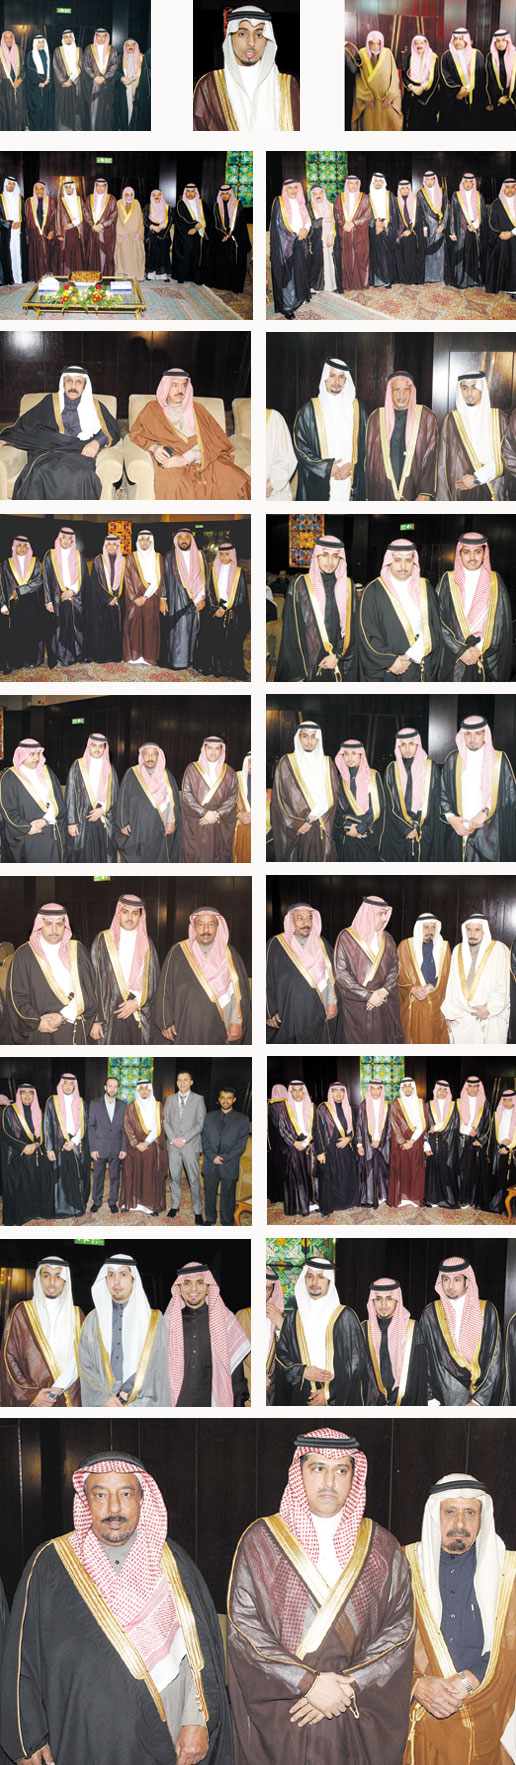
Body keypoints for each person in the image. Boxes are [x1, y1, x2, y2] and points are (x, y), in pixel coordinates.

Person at [0, 1448, 232, 1763]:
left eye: (125, 1494)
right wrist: (28, 1737)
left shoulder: (173, 1563)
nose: (114, 1508)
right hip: (82, 1738)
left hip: (167, 1736)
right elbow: (21, 1660)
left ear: (142, 1499)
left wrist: (196, 1720)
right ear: (85, 1501)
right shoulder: (50, 1565)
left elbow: (199, 1654)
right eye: (100, 1495)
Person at [228, 1426, 415, 1765]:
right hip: (287, 1714)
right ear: (298, 1472)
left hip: (353, 1713)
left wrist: (347, 1687)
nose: (329, 1481)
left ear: (353, 1476)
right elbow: (245, 1629)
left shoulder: (383, 1547)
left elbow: (399, 1632)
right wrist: (308, 1684)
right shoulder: (261, 1542)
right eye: (318, 1468)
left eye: (341, 1470)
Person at [407, 1472, 516, 1765]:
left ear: (482, 1517)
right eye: (450, 1512)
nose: (460, 1524)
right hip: (422, 1721)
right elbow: (381, 1645)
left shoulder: (510, 1572)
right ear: (435, 1515)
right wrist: (415, 1685)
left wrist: (474, 1676)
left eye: (470, 1513)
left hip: (491, 1719)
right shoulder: (403, 1566)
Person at [129, 368, 251, 501]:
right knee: (175, 484)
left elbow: (215, 439)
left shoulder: (198, 409)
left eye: (183, 385)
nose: (180, 390)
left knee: (236, 478)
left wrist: (187, 458)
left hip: (203, 456)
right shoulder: (152, 409)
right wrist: (155, 448)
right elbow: (137, 434)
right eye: (175, 385)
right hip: (172, 459)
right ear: (166, 386)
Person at [2, 368, 120, 502]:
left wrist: (96, 442)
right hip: (49, 451)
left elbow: (112, 429)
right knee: (40, 472)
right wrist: (4, 439)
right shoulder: (50, 402)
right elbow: (26, 424)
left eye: (78, 382)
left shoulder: (95, 406)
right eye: (69, 381)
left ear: (84, 386)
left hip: (79, 452)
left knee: (83, 475)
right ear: (63, 383)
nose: (73, 386)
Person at [78, 1255, 170, 1405]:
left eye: (123, 1274)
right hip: (104, 1404)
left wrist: (127, 1391)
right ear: (105, 1280)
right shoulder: (93, 1321)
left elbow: (157, 1365)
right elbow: (85, 1364)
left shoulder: (153, 1320)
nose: (116, 1281)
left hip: (142, 1403)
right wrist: (105, 1398)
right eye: (111, 1275)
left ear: (133, 1279)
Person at [193, 3, 300, 131]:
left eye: (259, 35)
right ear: (231, 37)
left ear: (267, 40)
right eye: (242, 34)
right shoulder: (209, 85)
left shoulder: (287, 85)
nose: (251, 43)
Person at [7, 900, 100, 1046]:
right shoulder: (23, 955)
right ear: (40, 925)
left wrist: (63, 1016)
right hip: (42, 1031)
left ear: (65, 926)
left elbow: (89, 990)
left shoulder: (77, 950)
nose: (54, 930)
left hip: (74, 1027)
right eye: (48, 924)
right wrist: (37, 1022)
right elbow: (17, 997)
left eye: (59, 924)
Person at [155, 907, 251, 1046]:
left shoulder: (230, 954)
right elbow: (164, 989)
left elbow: (238, 993)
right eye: (200, 924)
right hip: (186, 1025)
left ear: (218, 926)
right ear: (194, 927)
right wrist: (165, 1022)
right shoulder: (178, 951)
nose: (206, 929)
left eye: (211, 924)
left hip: (222, 1025)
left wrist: (236, 1022)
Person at [277, 1258, 366, 1406]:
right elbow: (281, 1355)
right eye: (309, 1276)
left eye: (321, 1277)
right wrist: (302, 1371)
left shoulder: (345, 1316)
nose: (314, 1281)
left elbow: (355, 1363)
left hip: (337, 1400)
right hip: (302, 1397)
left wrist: (329, 1392)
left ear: (329, 1281)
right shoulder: (293, 1319)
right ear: (304, 1280)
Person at [0, 1254, 83, 1407]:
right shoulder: (21, 1312)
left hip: (69, 1398)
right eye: (46, 1275)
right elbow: (9, 1359)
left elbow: (83, 1359)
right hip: (34, 1402)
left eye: (58, 1276)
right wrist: (31, 1395)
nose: (52, 1282)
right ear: (39, 1278)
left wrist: (57, 1389)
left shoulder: (77, 1315)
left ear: (65, 1281)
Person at [420, 1255, 504, 1405]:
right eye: (446, 1279)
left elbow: (495, 1359)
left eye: (457, 1280)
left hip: (480, 1398)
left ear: (467, 1281)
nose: (450, 1285)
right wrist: (429, 1397)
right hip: (442, 1398)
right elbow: (423, 1358)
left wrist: (479, 1401)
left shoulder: (486, 1310)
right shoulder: (431, 1313)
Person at [165, 1261, 248, 1406]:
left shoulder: (224, 1321)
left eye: (200, 1282)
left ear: (208, 1287)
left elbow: (236, 1372)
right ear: (179, 1288)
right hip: (177, 1403)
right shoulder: (168, 1323)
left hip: (214, 1403)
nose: (193, 1289)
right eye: (187, 1283)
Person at [358, 539, 442, 680]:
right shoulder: (373, 591)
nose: (403, 566)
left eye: (408, 560)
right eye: (397, 560)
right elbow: (367, 634)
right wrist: (390, 661)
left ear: (414, 562)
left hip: (420, 665)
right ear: (389, 561)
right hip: (389, 670)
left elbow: (434, 627)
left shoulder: (425, 587)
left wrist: (412, 655)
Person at [276, 535, 356, 681]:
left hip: (339, 659)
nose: (330, 562)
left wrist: (337, 655)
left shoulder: (348, 586)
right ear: (317, 555)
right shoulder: (300, 584)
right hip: (308, 660)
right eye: (325, 555)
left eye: (335, 556)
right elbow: (291, 632)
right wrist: (298, 672)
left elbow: (352, 626)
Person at [437, 530, 513, 681]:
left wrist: (480, 648)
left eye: (477, 552)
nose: (472, 557)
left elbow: (502, 624)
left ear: (484, 554)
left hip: (485, 654)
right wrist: (460, 650)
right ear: (460, 554)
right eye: (467, 552)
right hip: (455, 656)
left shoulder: (495, 581)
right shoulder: (448, 580)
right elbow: (437, 620)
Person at [441, 713, 516, 861]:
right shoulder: (453, 760)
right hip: (458, 830)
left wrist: (486, 812)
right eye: (468, 734)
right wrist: (451, 818)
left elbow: (510, 796)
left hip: (489, 834)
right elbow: (442, 793)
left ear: (485, 734)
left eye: (477, 733)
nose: (472, 739)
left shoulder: (499, 760)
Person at [293, 357, 367, 502]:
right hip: (319, 481)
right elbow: (300, 447)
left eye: (341, 377)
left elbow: (367, 446)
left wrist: (353, 465)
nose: (337, 381)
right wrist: (326, 467)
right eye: (332, 376)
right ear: (325, 378)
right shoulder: (309, 409)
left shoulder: (357, 409)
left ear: (346, 380)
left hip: (349, 479)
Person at [91, 893, 160, 1046]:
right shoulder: (103, 940)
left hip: (138, 1010)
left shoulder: (147, 943)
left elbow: (154, 980)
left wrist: (137, 1002)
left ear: (140, 916)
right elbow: (94, 981)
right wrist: (95, 1020)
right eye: (125, 912)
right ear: (118, 913)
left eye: (135, 913)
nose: (130, 917)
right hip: (109, 1013)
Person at [334, 894, 404, 1044]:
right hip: (359, 1005)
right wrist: (368, 995)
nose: (385, 918)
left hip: (383, 1002)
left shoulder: (388, 938)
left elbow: (394, 969)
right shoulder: (346, 938)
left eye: (385, 914)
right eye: (380, 914)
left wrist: (384, 991)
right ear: (369, 914)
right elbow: (341, 973)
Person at [266, 904, 337, 1044]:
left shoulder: (322, 943)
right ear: (290, 921)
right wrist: (269, 1011)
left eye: (309, 918)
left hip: (320, 1011)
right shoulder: (275, 944)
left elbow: (332, 977)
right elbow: (265, 979)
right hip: (288, 1013)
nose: (306, 923)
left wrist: (332, 1003)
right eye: (300, 918)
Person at [271, 721, 338, 861]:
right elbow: (279, 800)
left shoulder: (327, 763)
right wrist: (296, 823)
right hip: (296, 829)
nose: (309, 741)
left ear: (318, 739)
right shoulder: (286, 762)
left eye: (313, 736)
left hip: (319, 824)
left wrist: (312, 816)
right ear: (298, 737)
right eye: (305, 736)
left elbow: (331, 795)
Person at [365, 374, 439, 502]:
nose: (401, 395)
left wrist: (425, 493)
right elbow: (369, 460)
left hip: (414, 490)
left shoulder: (426, 417)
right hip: (382, 490)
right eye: (397, 390)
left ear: (412, 392)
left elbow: (431, 457)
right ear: (390, 392)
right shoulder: (376, 418)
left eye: (406, 390)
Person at [438, 371, 508, 501]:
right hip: (460, 489)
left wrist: (477, 479)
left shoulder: (498, 418)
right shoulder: (452, 419)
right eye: (465, 388)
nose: (469, 393)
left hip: (492, 486)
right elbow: (443, 463)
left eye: (474, 387)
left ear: (482, 389)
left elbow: (507, 458)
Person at [443, 914, 510, 1044]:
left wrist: (489, 1009)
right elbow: (452, 985)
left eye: (477, 930)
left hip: (490, 1019)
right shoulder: (458, 950)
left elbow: (505, 985)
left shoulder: (499, 950)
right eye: (469, 929)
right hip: (463, 1017)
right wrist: (449, 1014)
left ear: (484, 930)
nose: (472, 933)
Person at [362, 1276, 427, 1406]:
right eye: (378, 1299)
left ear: (397, 1300)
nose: (383, 1304)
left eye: (389, 1298)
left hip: (405, 1403)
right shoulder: (364, 1330)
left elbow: (419, 1376)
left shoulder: (412, 1329)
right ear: (372, 1301)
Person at [0, 736, 66, 862]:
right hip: (28, 837)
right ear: (22, 755)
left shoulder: (47, 772)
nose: (36, 758)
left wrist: (46, 820)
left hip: (50, 832)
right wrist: (27, 827)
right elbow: (7, 811)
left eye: (38, 754)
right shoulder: (9, 777)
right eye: (31, 754)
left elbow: (58, 801)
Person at [115, 742, 181, 863]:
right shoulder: (131, 773)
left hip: (160, 829)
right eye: (146, 754)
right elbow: (123, 799)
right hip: (138, 829)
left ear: (158, 756)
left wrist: (171, 821)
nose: (150, 758)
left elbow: (172, 802)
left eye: (153, 754)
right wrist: (123, 823)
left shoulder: (166, 775)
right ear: (142, 756)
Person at [383, 727, 441, 862]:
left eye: (411, 744)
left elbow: (435, 803)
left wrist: (417, 826)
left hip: (425, 830)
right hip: (399, 831)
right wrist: (405, 829)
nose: (407, 749)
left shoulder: (430, 767)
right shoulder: (392, 769)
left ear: (418, 745)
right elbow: (388, 804)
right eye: (403, 745)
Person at [195, 539, 250, 679]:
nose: (224, 557)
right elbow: (209, 591)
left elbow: (241, 595)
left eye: (227, 554)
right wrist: (215, 609)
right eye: (221, 555)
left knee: (231, 643)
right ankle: (215, 668)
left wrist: (225, 607)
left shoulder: (239, 572)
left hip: (232, 611)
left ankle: (231, 669)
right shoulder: (213, 570)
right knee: (213, 640)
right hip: (215, 609)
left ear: (232, 555)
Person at [0, 1082, 54, 1224]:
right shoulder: (9, 1110)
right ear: (19, 1095)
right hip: (17, 1154)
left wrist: (35, 1145)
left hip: (35, 1152)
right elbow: (5, 1132)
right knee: (21, 1186)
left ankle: (35, 1212)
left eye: (30, 1093)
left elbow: (43, 1133)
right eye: (24, 1093)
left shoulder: (39, 1111)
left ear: (34, 1096)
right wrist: (23, 1147)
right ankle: (22, 1215)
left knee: (38, 1181)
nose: (27, 1096)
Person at [181, 737, 237, 863]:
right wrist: (204, 813)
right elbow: (187, 795)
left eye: (217, 748)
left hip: (219, 824)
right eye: (210, 748)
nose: (213, 751)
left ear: (221, 750)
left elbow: (232, 798)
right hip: (198, 823)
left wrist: (217, 814)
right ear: (204, 749)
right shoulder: (192, 769)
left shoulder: (230, 772)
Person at [397, 912, 451, 1043]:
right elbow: (398, 974)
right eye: (426, 927)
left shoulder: (443, 947)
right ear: (418, 927)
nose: (430, 931)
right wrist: (412, 988)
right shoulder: (405, 946)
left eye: (433, 928)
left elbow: (447, 974)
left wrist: (433, 985)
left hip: (436, 1003)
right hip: (413, 1004)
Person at [65, 732, 118, 862]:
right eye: (94, 745)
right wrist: (71, 822)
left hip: (102, 818)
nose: (97, 749)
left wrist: (103, 809)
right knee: (83, 855)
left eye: (101, 746)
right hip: (82, 818)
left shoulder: (110, 769)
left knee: (102, 854)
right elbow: (71, 794)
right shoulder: (78, 765)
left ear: (105, 748)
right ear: (89, 746)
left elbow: (115, 794)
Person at [1, 534, 50, 672]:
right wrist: (3, 604)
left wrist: (21, 590)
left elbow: (39, 580)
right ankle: (17, 661)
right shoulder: (7, 563)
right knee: (16, 634)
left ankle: (32, 660)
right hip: (14, 605)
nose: (22, 549)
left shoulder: (35, 561)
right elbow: (2, 584)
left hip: (32, 604)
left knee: (33, 633)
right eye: (19, 546)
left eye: (24, 546)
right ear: (14, 547)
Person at [44, 1072, 90, 1218]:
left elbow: (84, 1124)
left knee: (76, 1176)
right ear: (61, 1085)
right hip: (58, 1146)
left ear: (75, 1086)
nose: (68, 1087)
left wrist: (74, 1141)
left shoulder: (81, 1102)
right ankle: (60, 1208)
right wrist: (49, 1148)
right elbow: (47, 1125)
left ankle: (76, 1207)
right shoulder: (52, 1101)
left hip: (75, 1145)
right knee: (59, 1176)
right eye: (66, 1084)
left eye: (71, 1084)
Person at [201, 1087, 249, 1226]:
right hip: (210, 1162)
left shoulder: (242, 1119)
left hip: (229, 1163)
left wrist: (224, 1158)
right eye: (222, 1097)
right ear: (219, 1099)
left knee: (228, 1195)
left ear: (234, 1100)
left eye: (229, 1098)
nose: (225, 1100)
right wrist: (212, 1156)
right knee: (210, 1193)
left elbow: (241, 1145)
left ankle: (227, 1221)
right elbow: (205, 1140)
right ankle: (210, 1218)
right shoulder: (209, 1117)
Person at [163, 1071, 206, 1223]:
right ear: (176, 1082)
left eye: (185, 1080)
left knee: (194, 1180)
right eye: (179, 1080)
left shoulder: (198, 1099)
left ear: (191, 1082)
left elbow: (200, 1123)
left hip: (190, 1146)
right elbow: (165, 1121)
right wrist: (174, 1139)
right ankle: (175, 1206)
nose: (182, 1083)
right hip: (173, 1146)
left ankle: (197, 1210)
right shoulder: (170, 1099)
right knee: (174, 1178)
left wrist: (184, 1139)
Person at [120, 1082, 168, 1215]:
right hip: (133, 1147)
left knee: (149, 1176)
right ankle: (130, 1204)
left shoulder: (157, 1106)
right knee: (132, 1174)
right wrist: (136, 1143)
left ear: (151, 1090)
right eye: (141, 1089)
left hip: (150, 1146)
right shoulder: (132, 1106)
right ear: (138, 1091)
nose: (144, 1091)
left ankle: (150, 1206)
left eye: (147, 1089)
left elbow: (158, 1127)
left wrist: (146, 1143)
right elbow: (127, 1126)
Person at [334, 738, 385, 859]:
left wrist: (359, 829)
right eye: (346, 754)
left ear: (361, 755)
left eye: (354, 753)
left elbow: (377, 808)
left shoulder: (372, 776)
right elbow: (337, 810)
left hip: (367, 834)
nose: (350, 758)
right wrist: (347, 826)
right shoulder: (341, 779)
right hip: (347, 834)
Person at [162, 529, 206, 670]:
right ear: (176, 540)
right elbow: (163, 579)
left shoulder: (199, 555)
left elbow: (204, 578)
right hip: (176, 599)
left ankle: (190, 659)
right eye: (180, 537)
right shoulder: (170, 556)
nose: (183, 540)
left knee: (192, 630)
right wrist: (163, 598)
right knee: (177, 631)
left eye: (186, 537)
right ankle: (177, 662)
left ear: (191, 539)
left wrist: (202, 598)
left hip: (196, 600)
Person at [273, 1079, 318, 1216]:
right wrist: (294, 1142)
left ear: (304, 1092)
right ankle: (300, 1205)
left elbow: (316, 1127)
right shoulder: (284, 1107)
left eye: (300, 1090)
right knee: (297, 1177)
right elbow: (282, 1128)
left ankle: (313, 1202)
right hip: (294, 1147)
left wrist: (309, 1141)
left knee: (311, 1175)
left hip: (310, 1146)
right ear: (290, 1092)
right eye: (294, 1090)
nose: (297, 1093)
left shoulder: (312, 1106)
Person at [44, 526, 86, 669]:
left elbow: (83, 577)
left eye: (70, 539)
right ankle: (61, 656)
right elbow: (46, 578)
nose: (66, 541)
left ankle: (77, 655)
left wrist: (72, 591)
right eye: (64, 538)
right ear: (59, 538)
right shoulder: (50, 555)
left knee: (76, 628)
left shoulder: (78, 555)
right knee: (59, 629)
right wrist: (48, 600)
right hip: (57, 598)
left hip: (75, 597)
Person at [270, 179, 312, 317]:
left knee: (301, 271)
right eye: (290, 188)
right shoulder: (279, 202)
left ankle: (300, 297)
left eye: (295, 187)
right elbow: (279, 224)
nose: (293, 190)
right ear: (285, 190)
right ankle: (287, 306)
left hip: (301, 241)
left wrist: (305, 230)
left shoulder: (301, 203)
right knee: (288, 275)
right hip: (286, 244)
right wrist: (296, 233)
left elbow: (307, 220)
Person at [315, 1082, 358, 1211]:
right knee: (332, 1176)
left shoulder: (348, 1108)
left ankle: (347, 1202)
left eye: (341, 1090)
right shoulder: (323, 1108)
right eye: (335, 1090)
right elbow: (317, 1130)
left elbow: (354, 1129)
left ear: (344, 1093)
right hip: (330, 1150)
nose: (338, 1093)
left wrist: (348, 1139)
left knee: (345, 1175)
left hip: (346, 1148)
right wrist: (320, 1152)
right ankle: (334, 1204)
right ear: (330, 1092)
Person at [122, 530, 163, 665]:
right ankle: (135, 656)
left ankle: (148, 657)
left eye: (147, 540)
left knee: (149, 627)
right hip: (134, 599)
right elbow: (128, 579)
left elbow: (158, 579)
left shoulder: (158, 557)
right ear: (138, 541)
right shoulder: (131, 556)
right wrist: (134, 598)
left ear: (151, 542)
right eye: (142, 540)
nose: (145, 542)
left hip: (151, 597)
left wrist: (145, 596)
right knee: (134, 627)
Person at [88, 1073, 127, 1215]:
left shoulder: (123, 1105)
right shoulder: (95, 1103)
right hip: (99, 1147)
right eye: (110, 1086)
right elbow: (91, 1126)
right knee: (98, 1176)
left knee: (115, 1177)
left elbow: (125, 1129)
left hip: (116, 1148)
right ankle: (97, 1201)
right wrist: (93, 1148)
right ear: (105, 1087)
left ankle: (112, 1201)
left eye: (115, 1086)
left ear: (118, 1089)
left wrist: (123, 1148)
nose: (112, 1089)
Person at [350, 31, 404, 129]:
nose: (375, 47)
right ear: (368, 43)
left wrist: (390, 96)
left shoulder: (388, 53)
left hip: (385, 100)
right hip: (369, 101)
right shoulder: (361, 53)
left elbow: (394, 76)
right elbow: (359, 77)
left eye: (378, 43)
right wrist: (366, 97)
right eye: (372, 43)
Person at [388, 1078, 427, 1208]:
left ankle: (414, 1198)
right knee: (402, 1171)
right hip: (401, 1144)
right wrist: (403, 1142)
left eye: (410, 1086)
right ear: (401, 1088)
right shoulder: (395, 1103)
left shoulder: (420, 1102)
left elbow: (423, 1124)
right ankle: (402, 1197)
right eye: (404, 1086)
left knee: (415, 1170)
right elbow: (394, 1125)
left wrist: (412, 1140)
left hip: (416, 1141)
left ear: (413, 1087)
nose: (407, 1089)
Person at [86, 536, 124, 664]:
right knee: (102, 630)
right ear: (105, 546)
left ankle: (114, 656)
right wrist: (108, 598)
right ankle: (101, 656)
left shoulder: (123, 561)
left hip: (118, 600)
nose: (112, 547)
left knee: (115, 629)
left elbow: (125, 582)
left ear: (118, 546)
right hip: (100, 602)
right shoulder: (98, 560)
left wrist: (116, 597)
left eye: (114, 544)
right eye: (109, 544)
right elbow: (94, 583)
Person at [355, 1081, 392, 1207]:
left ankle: (383, 1195)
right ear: (369, 1090)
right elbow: (359, 1125)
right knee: (368, 1170)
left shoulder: (387, 1106)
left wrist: (379, 1141)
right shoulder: (363, 1106)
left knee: (383, 1170)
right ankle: (369, 1198)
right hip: (367, 1143)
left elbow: (389, 1128)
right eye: (373, 1089)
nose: (376, 1092)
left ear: (382, 1090)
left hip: (383, 1144)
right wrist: (359, 1144)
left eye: (378, 1089)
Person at [457, 1076, 492, 1210]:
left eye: (475, 1086)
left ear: (479, 1088)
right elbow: (454, 1123)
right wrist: (467, 1130)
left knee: (475, 1172)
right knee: (462, 1172)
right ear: (466, 1088)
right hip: (461, 1141)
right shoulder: (459, 1102)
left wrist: (481, 1139)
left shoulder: (485, 1104)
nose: (472, 1089)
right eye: (470, 1086)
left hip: (477, 1143)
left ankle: (473, 1200)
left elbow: (488, 1124)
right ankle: (463, 1199)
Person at [423, 1082, 459, 1208]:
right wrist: (426, 1144)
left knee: (446, 1171)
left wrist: (437, 1127)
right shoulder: (428, 1105)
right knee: (432, 1171)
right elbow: (425, 1125)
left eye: (445, 1090)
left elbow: (455, 1124)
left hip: (448, 1144)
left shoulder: (453, 1106)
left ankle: (447, 1199)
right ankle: (432, 1199)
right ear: (435, 1091)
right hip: (432, 1142)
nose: (442, 1092)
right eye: (440, 1089)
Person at [448, 174, 487, 290]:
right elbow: (452, 214)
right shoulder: (456, 195)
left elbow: (483, 213)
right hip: (460, 230)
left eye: (471, 182)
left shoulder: (479, 196)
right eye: (466, 182)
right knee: (461, 255)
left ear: (473, 183)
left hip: (474, 229)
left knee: (473, 254)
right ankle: (461, 280)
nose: (468, 184)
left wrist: (475, 225)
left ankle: (474, 279)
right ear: (462, 183)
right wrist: (452, 232)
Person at [440, 29, 485, 127]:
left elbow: (482, 77)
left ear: (467, 40)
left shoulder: (477, 54)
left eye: (461, 39)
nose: (457, 42)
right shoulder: (447, 56)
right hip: (456, 97)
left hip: (474, 97)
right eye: (455, 39)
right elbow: (445, 76)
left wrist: (468, 89)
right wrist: (458, 90)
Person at [212, 182, 250, 292]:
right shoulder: (216, 206)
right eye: (222, 194)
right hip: (221, 238)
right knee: (221, 261)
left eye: (227, 194)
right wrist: (223, 235)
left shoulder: (238, 205)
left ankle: (234, 286)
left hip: (235, 238)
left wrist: (230, 234)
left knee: (234, 261)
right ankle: (222, 284)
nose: (224, 196)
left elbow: (240, 223)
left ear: (230, 194)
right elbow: (215, 223)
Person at [334, 175, 370, 290]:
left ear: (358, 184)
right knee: (347, 258)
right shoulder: (340, 198)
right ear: (347, 184)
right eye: (351, 183)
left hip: (359, 233)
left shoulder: (364, 197)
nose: (353, 186)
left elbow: (367, 215)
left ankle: (360, 283)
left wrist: (354, 223)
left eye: (355, 183)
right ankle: (348, 284)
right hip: (345, 232)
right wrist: (343, 224)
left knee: (360, 258)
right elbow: (337, 214)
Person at [172, 184, 210, 286]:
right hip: (185, 234)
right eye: (188, 192)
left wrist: (198, 228)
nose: (190, 194)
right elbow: (181, 218)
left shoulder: (202, 204)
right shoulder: (181, 203)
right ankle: (182, 276)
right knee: (186, 254)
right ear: (185, 193)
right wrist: (194, 226)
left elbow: (208, 218)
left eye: (192, 191)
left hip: (200, 233)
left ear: (196, 192)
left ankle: (196, 277)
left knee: (197, 255)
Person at [414, 172, 449, 284]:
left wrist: (443, 225)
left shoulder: (443, 192)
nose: (429, 182)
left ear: (435, 180)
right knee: (428, 254)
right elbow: (419, 213)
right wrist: (424, 228)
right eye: (427, 180)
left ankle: (439, 277)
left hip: (440, 228)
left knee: (440, 254)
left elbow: (447, 210)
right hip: (428, 229)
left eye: (431, 179)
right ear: (424, 181)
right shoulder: (420, 194)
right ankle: (429, 277)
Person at [82, 27, 118, 130]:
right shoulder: (89, 49)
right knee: (92, 110)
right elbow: (86, 65)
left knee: (106, 111)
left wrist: (104, 77)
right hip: (93, 85)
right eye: (99, 36)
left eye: (103, 36)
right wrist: (94, 77)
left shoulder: (112, 49)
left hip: (106, 85)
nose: (101, 38)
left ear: (107, 37)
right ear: (95, 37)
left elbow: (114, 66)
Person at [401, 34, 439, 127]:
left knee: (427, 124)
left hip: (428, 94)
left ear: (426, 44)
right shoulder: (409, 56)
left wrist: (422, 87)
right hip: (412, 93)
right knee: (412, 123)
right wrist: (412, 87)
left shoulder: (433, 57)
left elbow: (436, 77)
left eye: (421, 43)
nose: (419, 45)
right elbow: (404, 73)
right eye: (416, 43)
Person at [487, 177, 516, 294]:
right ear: (503, 189)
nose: (510, 190)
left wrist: (512, 232)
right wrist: (499, 233)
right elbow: (491, 223)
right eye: (507, 187)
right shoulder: (497, 204)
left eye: (513, 187)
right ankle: (505, 287)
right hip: (502, 240)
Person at [83, 177, 117, 275]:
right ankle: (91, 277)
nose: (100, 188)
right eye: (98, 186)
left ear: (105, 187)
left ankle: (104, 277)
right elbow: (85, 213)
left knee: (104, 256)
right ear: (95, 186)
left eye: (102, 186)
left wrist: (102, 225)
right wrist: (93, 225)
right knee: (92, 255)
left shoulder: (111, 199)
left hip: (105, 233)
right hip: (92, 231)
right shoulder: (89, 198)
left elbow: (114, 215)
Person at [115, 38, 151, 130]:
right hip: (124, 89)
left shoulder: (142, 58)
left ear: (136, 46)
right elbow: (115, 72)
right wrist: (122, 78)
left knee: (137, 113)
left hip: (138, 89)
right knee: (125, 111)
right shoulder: (120, 58)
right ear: (125, 47)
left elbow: (147, 74)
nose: (130, 47)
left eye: (132, 45)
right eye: (128, 45)